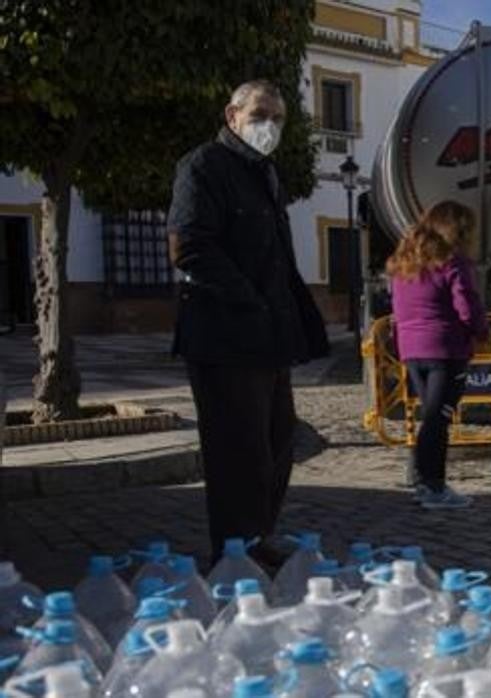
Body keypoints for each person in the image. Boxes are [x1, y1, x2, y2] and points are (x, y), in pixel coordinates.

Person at [167, 80, 329, 563]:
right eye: (260, 114)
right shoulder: (203, 166)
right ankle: (236, 551)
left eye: (278, 118)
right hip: (224, 335)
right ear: (232, 114)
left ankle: (259, 536)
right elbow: (189, 245)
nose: (270, 126)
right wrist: (250, 301)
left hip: (266, 338)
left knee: (278, 443)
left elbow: (275, 257)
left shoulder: (265, 173)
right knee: (240, 451)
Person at [388, 201, 489, 509]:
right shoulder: (453, 262)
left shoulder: (405, 261)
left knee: (431, 417)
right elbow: (466, 305)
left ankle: (425, 481)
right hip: (445, 349)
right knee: (438, 419)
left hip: (412, 350)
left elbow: (398, 306)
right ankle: (432, 485)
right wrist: (480, 331)